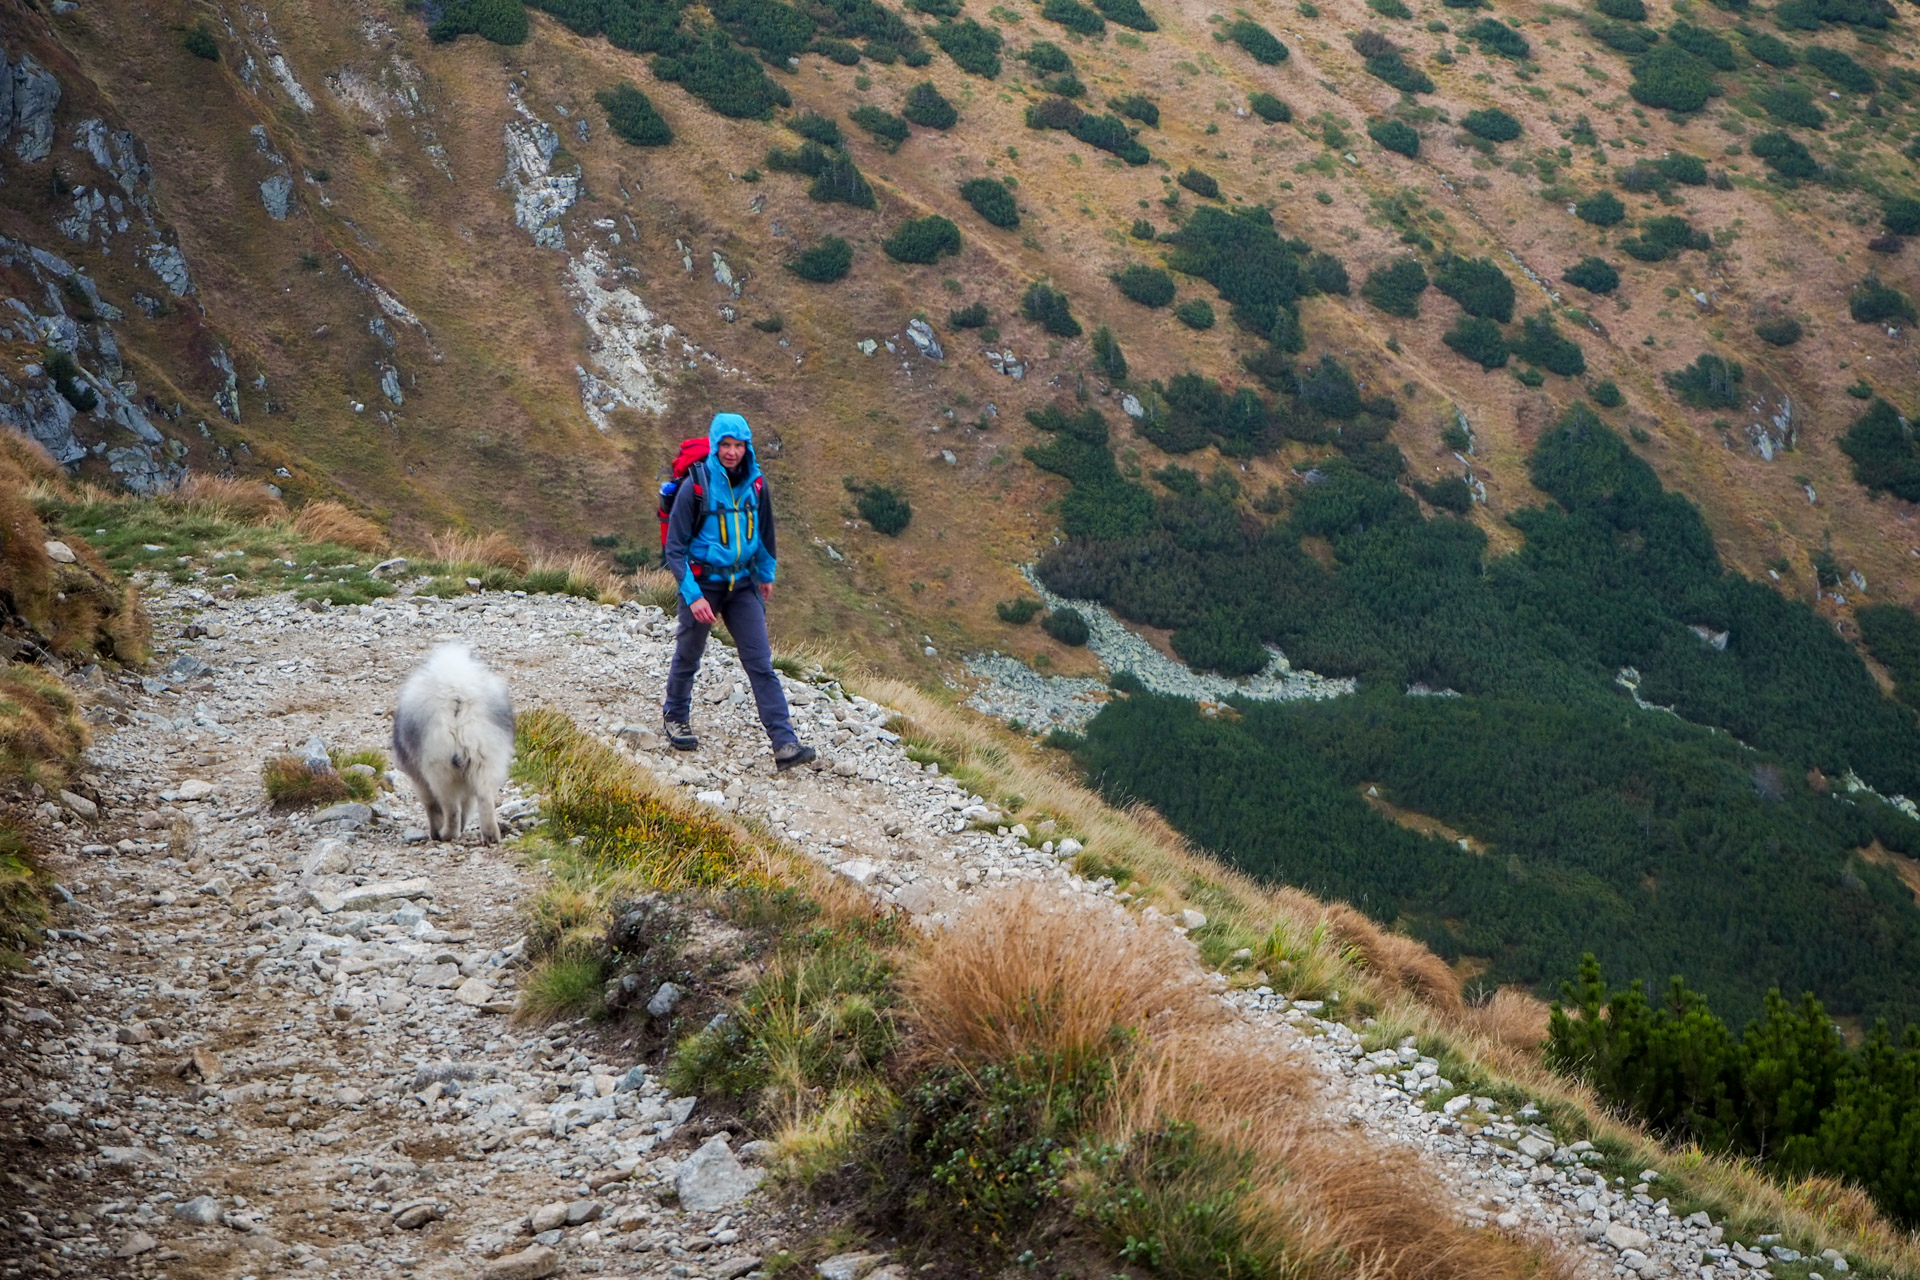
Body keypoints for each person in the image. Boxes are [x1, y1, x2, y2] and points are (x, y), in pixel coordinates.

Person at [661, 412, 816, 770]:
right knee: (690, 651)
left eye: (739, 445)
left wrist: (766, 573)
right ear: (716, 446)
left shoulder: (756, 484)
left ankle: (784, 743)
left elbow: (765, 533)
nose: (732, 452)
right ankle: (675, 715)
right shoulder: (695, 485)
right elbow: (675, 548)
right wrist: (694, 595)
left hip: (743, 585)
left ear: (748, 447)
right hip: (703, 584)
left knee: (761, 664)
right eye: (726, 445)